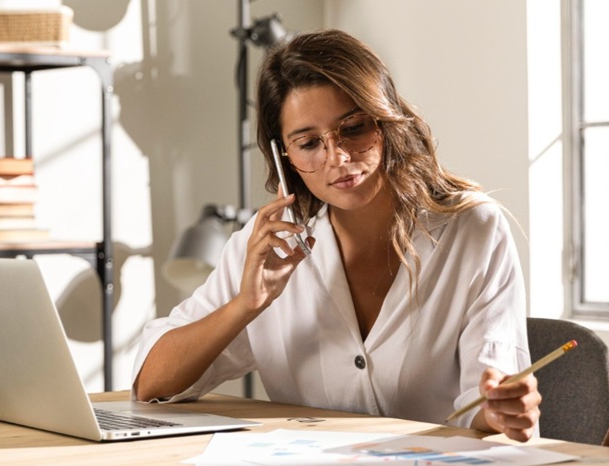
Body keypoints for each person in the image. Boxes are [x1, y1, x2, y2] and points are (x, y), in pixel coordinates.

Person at [133, 29, 540, 442]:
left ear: (386, 120)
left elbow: (488, 400)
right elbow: (151, 385)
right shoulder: (267, 246)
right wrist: (246, 305)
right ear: (284, 156)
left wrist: (502, 410)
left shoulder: (472, 230)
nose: (338, 157)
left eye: (354, 128)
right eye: (309, 143)